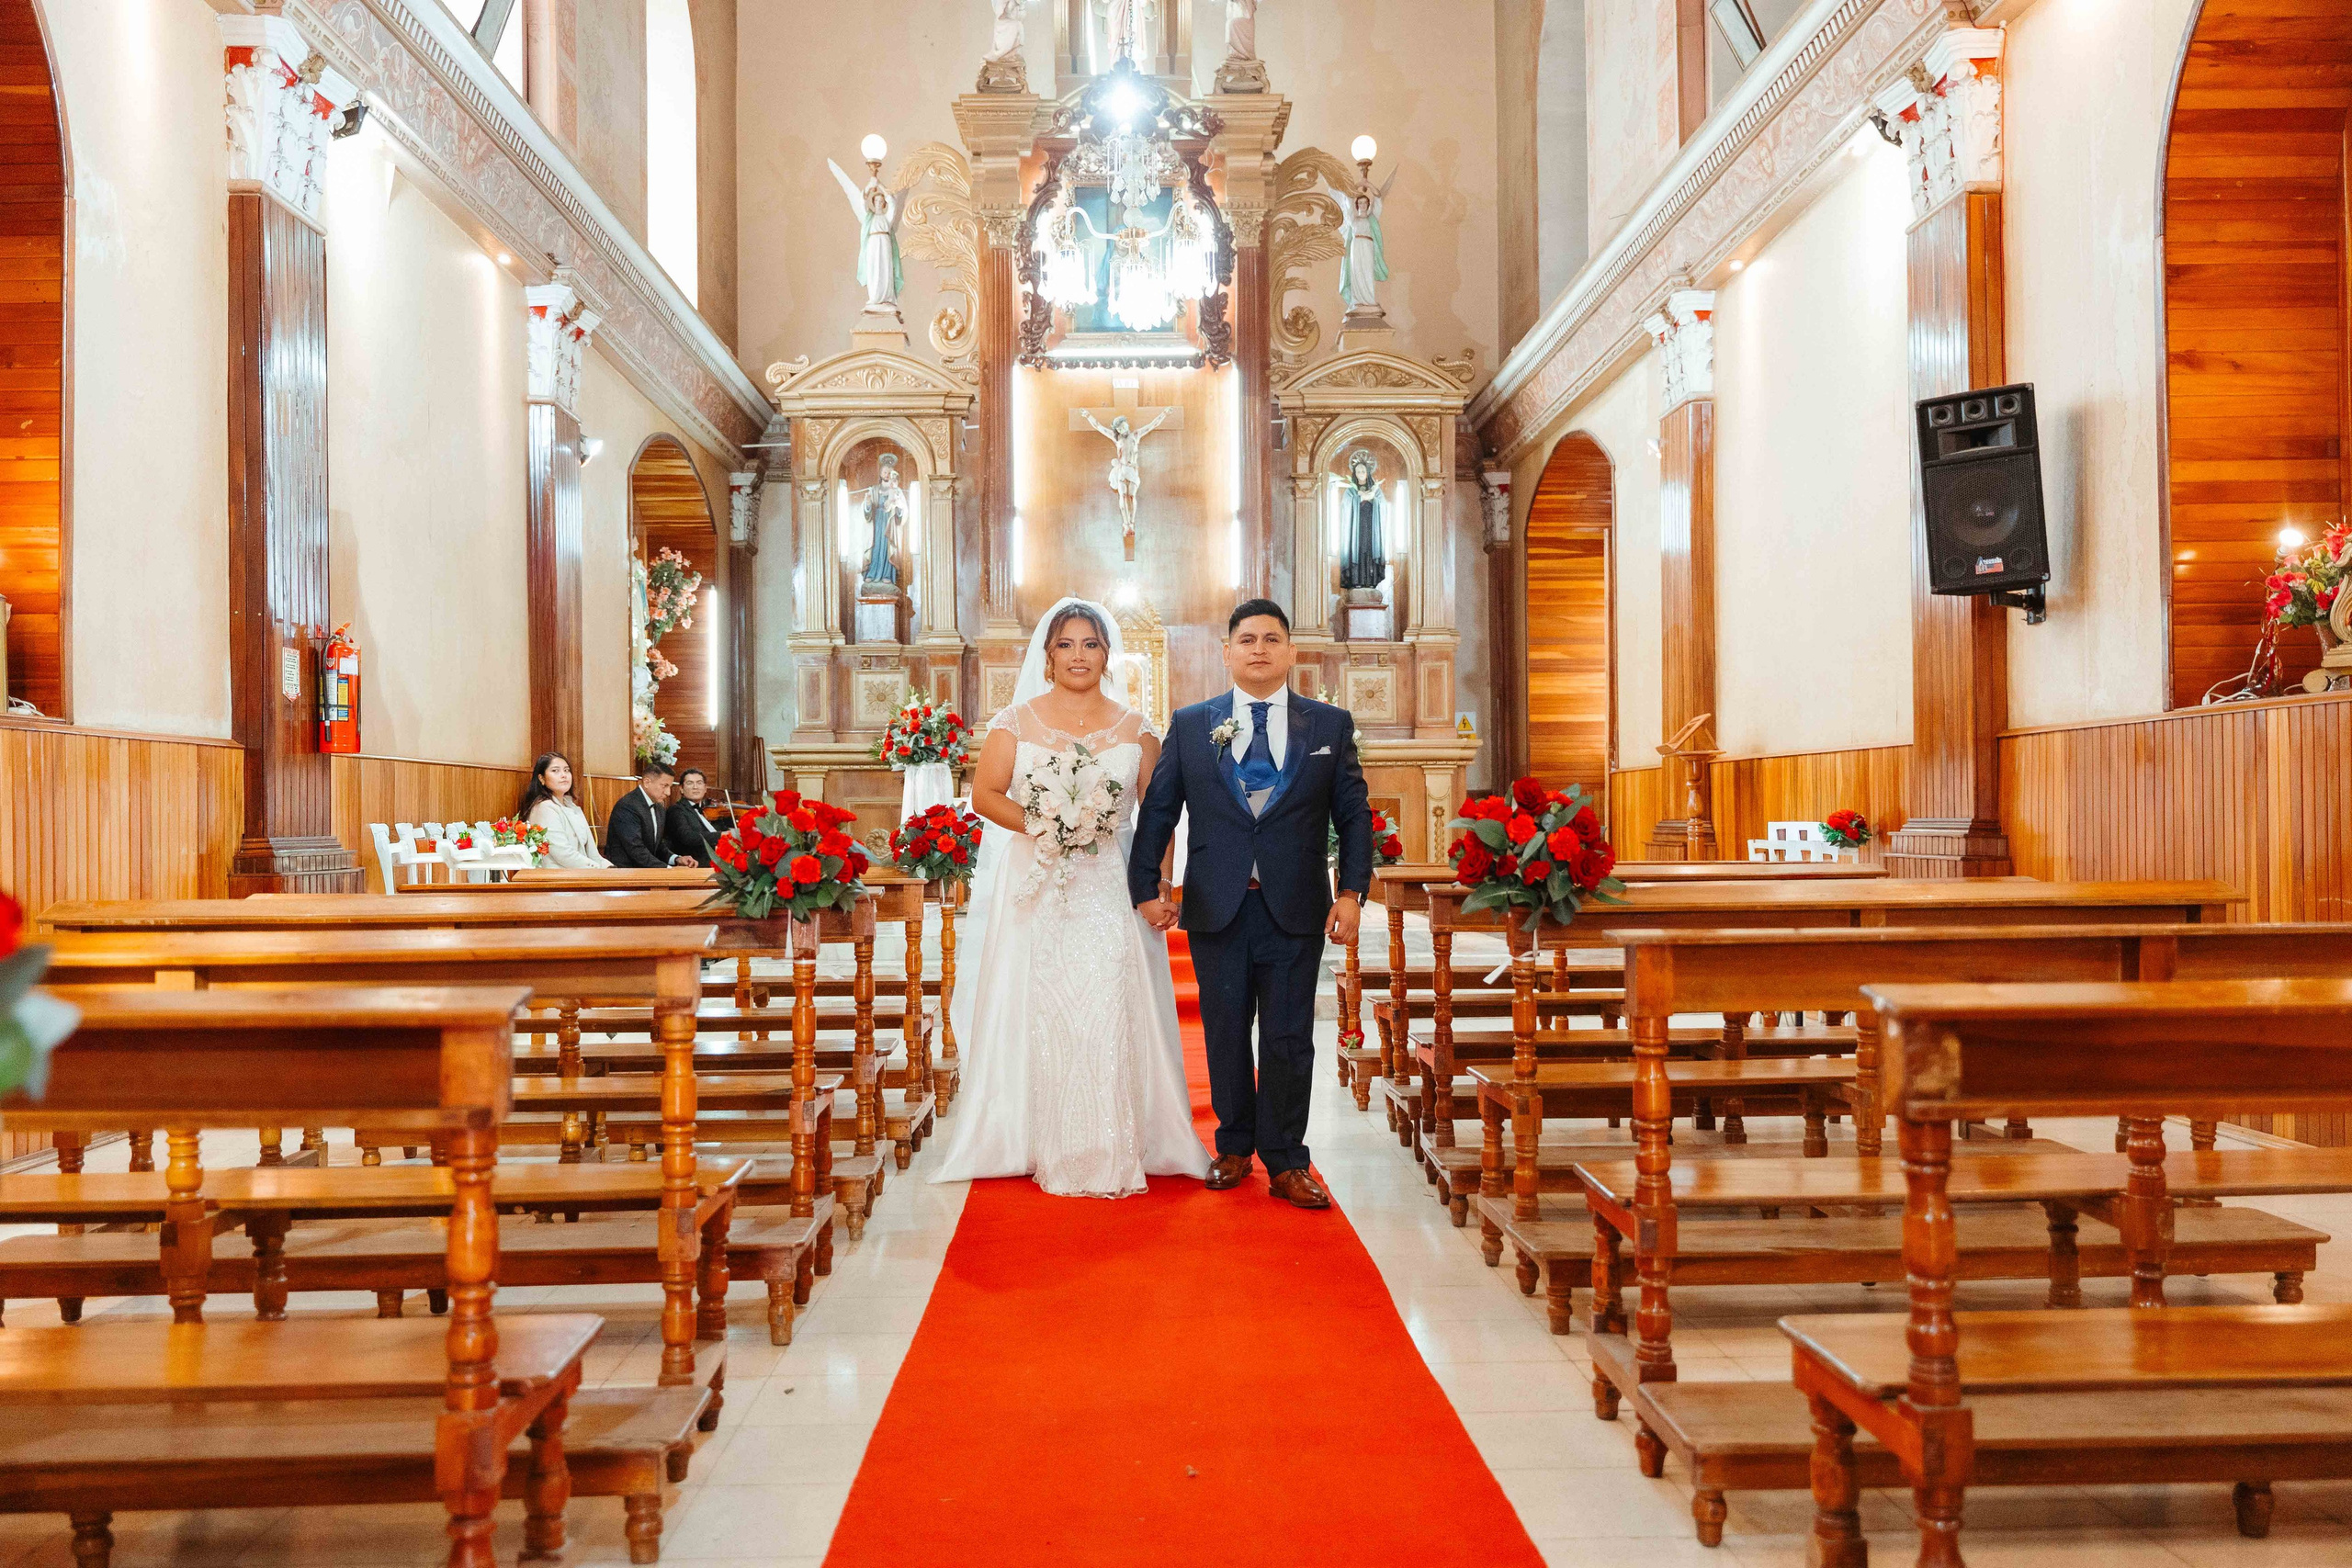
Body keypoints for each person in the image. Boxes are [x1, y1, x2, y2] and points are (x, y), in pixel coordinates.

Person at [928, 597, 1210, 1199]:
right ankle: (1033, 1133)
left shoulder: (1137, 728)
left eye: (1090, 644)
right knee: (1042, 999)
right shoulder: (1016, 720)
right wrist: (1046, 819)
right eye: (1066, 644)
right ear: (1048, 655)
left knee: (1109, 996)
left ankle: (1111, 1137)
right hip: (1040, 883)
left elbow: (1157, 816)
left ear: (1108, 654)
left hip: (1111, 884)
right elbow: (984, 793)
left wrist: (1159, 886)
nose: (1078, 655)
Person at [1127, 599, 1374, 1210]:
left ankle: (1288, 1158)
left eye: (1271, 638)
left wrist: (1352, 891)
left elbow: (1355, 815)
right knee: (1226, 1029)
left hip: (1295, 905)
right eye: (1246, 638)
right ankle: (1234, 1145)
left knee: (1291, 1037)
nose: (1259, 648)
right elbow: (1160, 811)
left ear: (1290, 651)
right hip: (1218, 904)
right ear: (1227, 651)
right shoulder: (1190, 725)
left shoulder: (1328, 725)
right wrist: (1143, 887)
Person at [516, 753, 610, 870]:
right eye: (555, 771)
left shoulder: (572, 807)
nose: (564, 775)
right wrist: (597, 870)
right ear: (542, 778)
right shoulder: (544, 808)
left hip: (583, 873)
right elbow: (563, 854)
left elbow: (593, 853)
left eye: (567, 770)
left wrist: (609, 868)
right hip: (559, 878)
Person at [607, 762, 695, 868]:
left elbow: (657, 846)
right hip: (626, 872)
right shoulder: (627, 806)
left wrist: (676, 859)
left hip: (648, 870)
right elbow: (636, 850)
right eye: (664, 786)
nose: (668, 793)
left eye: (670, 787)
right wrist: (669, 870)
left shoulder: (659, 807)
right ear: (647, 782)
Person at [664, 768, 732, 866]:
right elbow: (687, 837)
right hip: (695, 866)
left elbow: (724, 829)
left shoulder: (709, 811)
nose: (695, 787)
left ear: (705, 788)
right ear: (681, 789)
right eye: (690, 783)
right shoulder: (676, 810)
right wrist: (722, 835)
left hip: (719, 863)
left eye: (699, 783)